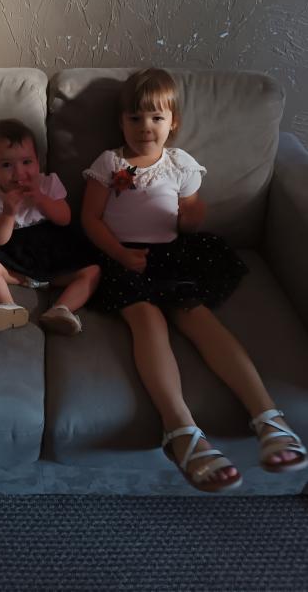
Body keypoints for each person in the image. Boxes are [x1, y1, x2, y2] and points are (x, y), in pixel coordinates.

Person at [81, 67, 307, 492]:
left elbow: (187, 217)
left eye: (156, 117)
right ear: (121, 123)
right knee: (147, 321)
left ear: (173, 122)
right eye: (134, 118)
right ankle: (180, 428)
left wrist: (191, 217)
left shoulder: (179, 163)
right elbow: (90, 219)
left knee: (198, 318)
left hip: (173, 256)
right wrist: (120, 254)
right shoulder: (109, 163)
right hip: (121, 256)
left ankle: (268, 417)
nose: (145, 127)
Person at [0, 119, 100, 335]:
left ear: (38, 162)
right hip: (15, 261)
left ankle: (61, 309)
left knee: (93, 271)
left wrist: (42, 199)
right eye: (6, 165)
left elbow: (65, 218)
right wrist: (8, 214)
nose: (18, 172)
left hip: (56, 255)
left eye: (26, 162)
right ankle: (8, 306)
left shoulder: (48, 183)